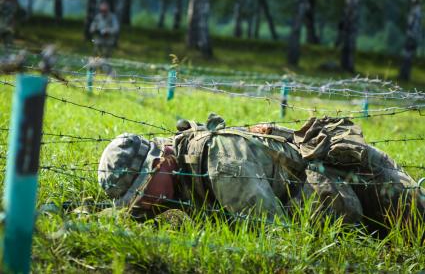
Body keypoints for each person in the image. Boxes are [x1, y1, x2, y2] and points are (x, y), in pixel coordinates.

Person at [98, 114, 425, 232]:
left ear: (159, 162)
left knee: (417, 225)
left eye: (142, 191)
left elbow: (273, 234)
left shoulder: (221, 166)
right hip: (332, 191)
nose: (143, 204)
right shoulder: (182, 169)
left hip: (360, 180)